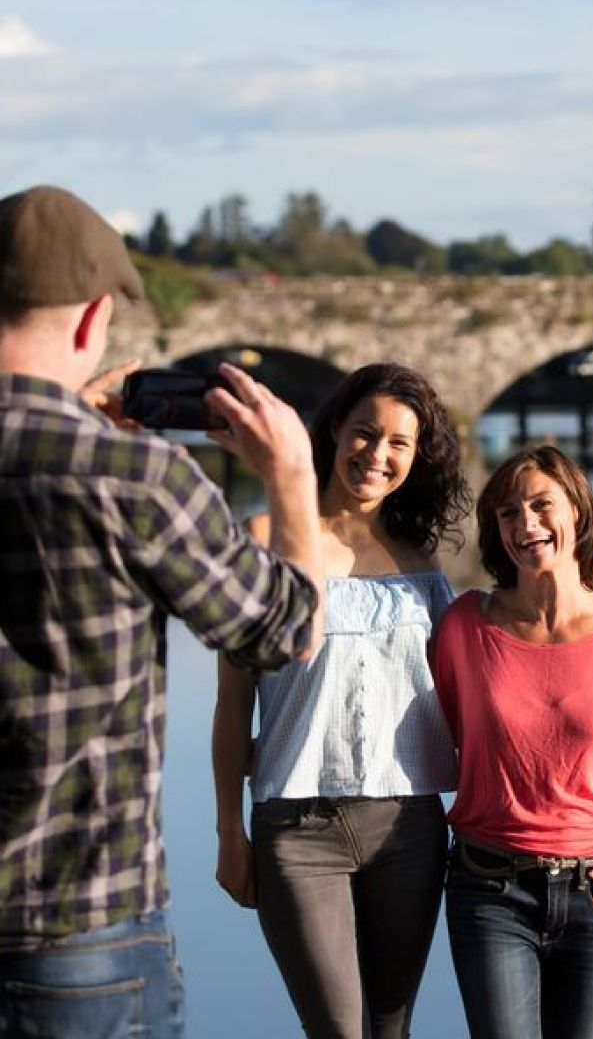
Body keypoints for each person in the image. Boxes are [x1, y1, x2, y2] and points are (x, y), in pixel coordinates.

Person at [0, 185, 324, 1038]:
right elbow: (287, 630)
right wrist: (290, 478)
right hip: (82, 930)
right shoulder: (135, 478)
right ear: (89, 320)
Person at [212, 362, 472, 1039]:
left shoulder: (420, 561)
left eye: (398, 444)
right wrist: (228, 832)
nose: (377, 455)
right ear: (332, 431)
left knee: (391, 1029)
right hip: (298, 833)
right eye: (364, 433)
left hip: (409, 827)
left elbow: (469, 692)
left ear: (417, 458)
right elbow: (233, 702)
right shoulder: (264, 539)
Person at [433, 445, 593, 1039]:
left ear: (578, 512)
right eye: (509, 513)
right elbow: (436, 734)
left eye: (542, 505)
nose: (527, 525)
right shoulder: (465, 625)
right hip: (489, 888)